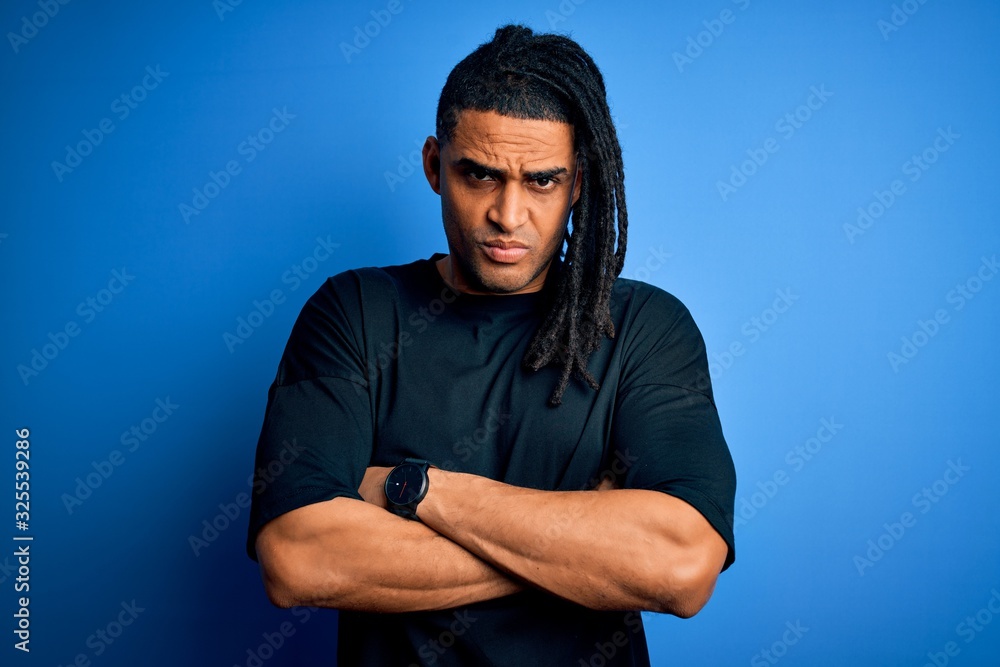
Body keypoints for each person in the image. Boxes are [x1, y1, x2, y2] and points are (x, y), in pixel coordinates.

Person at [246, 23, 736, 666]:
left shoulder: (644, 325)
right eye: (479, 175)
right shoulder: (354, 312)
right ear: (434, 165)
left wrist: (415, 490)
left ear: (578, 183)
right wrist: (583, 550)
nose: (507, 215)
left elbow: (680, 567)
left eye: (542, 181)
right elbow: (298, 559)